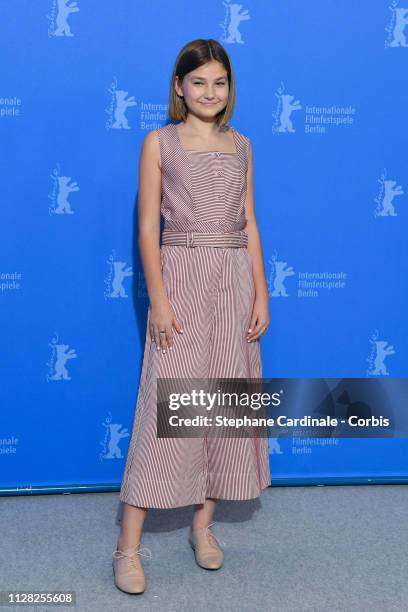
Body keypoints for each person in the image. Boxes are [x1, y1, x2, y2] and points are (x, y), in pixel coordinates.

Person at [112, 38, 271, 595]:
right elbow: (147, 228)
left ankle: (203, 528)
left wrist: (262, 293)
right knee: (169, 405)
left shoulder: (243, 145)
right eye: (198, 81)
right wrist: (158, 299)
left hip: (232, 278)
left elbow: (249, 223)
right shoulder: (159, 142)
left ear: (230, 88)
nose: (209, 92)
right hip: (180, 273)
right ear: (179, 87)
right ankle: (128, 546)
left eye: (219, 82)